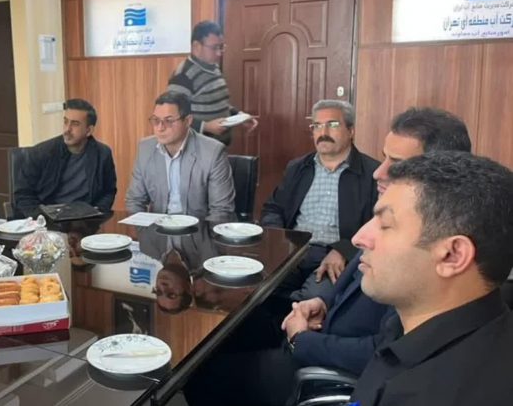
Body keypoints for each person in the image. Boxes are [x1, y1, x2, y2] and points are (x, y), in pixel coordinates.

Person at [184, 107, 472, 406]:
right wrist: (323, 302)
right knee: (223, 330)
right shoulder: (302, 169)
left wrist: (302, 340)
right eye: (316, 125)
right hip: (309, 290)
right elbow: (276, 210)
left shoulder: (426, 249)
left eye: (397, 163)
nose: (380, 172)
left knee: (200, 376)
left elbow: (385, 352)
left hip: (324, 363)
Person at [350, 152, 513, 406]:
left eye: (385, 225)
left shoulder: (434, 393)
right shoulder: (410, 330)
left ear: (452, 255)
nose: (359, 238)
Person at [261, 99, 379, 299]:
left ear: (351, 131)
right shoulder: (298, 168)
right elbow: (273, 209)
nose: (323, 132)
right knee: (256, 292)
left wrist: (344, 250)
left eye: (333, 124)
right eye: (316, 125)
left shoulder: (373, 173)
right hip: (293, 251)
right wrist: (279, 242)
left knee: (312, 300)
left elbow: (378, 225)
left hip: (336, 256)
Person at [125, 91, 236, 221]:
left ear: (188, 121)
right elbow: (135, 200)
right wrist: (143, 230)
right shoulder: (145, 148)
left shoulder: (213, 152)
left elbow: (221, 210)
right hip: (158, 228)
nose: (160, 128)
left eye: (169, 121)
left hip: (198, 229)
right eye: (156, 120)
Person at [14, 99, 117, 217]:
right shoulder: (42, 153)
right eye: (65, 122)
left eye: (75, 124)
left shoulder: (102, 154)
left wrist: (97, 212)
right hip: (47, 218)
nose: (67, 129)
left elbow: (108, 191)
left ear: (89, 130)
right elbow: (23, 194)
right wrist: (40, 218)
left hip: (85, 219)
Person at [166, 21, 257, 145]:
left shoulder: (213, 67)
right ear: (196, 46)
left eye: (221, 47)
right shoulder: (183, 76)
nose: (219, 53)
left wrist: (239, 116)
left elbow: (218, 102)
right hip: (198, 149)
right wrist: (205, 126)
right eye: (214, 48)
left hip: (219, 146)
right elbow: (172, 116)